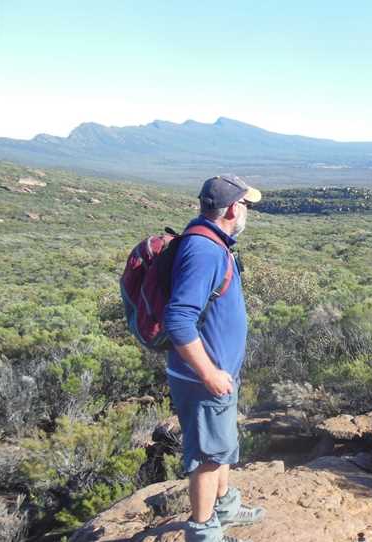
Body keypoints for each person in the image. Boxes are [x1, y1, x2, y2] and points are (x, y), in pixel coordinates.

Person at [164, 174, 264, 542]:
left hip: (218, 374)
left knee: (220, 446)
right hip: (203, 378)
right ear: (234, 208)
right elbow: (178, 319)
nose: (248, 213)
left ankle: (225, 507)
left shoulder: (213, 243)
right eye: (247, 206)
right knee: (208, 454)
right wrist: (208, 373)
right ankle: (203, 531)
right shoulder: (204, 249)